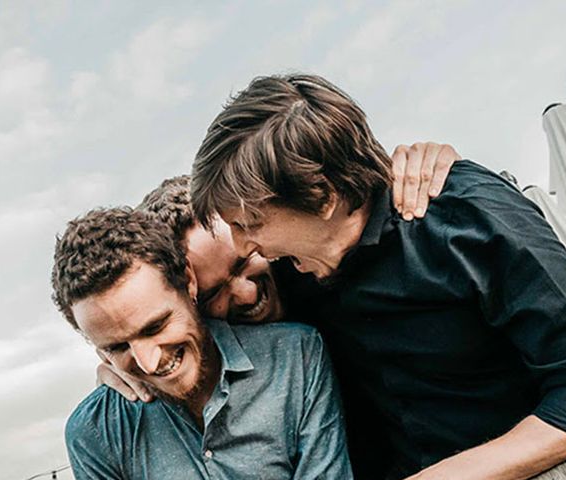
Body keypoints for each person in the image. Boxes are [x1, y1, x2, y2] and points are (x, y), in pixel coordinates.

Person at [188, 73, 566, 480]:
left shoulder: (468, 217)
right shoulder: (291, 273)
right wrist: (120, 361)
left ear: (324, 194)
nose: (246, 247)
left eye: (252, 223)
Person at [52, 207, 353, 480]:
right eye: (117, 347)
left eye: (156, 326)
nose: (149, 360)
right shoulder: (92, 432)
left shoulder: (296, 354)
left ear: (189, 283)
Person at [96, 142, 459, 403]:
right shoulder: (205, 357)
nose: (247, 294)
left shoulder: (313, 262)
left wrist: (431, 170)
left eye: (243, 261)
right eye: (212, 295)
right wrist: (128, 361)